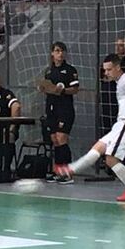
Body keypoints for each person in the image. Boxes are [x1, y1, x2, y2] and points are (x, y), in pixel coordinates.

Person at [54, 53, 125, 202]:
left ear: (117, 67)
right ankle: (71, 169)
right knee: (97, 148)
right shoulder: (119, 82)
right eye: (105, 70)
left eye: (109, 69)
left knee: (110, 159)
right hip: (119, 125)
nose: (106, 73)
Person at [39, 41, 79, 184]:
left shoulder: (70, 70)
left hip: (65, 109)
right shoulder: (48, 71)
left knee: (62, 138)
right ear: (52, 53)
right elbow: (46, 87)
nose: (60, 54)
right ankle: (58, 171)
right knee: (55, 140)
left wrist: (62, 90)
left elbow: (75, 89)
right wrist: (44, 88)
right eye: (57, 51)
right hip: (51, 108)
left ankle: (67, 173)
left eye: (62, 51)